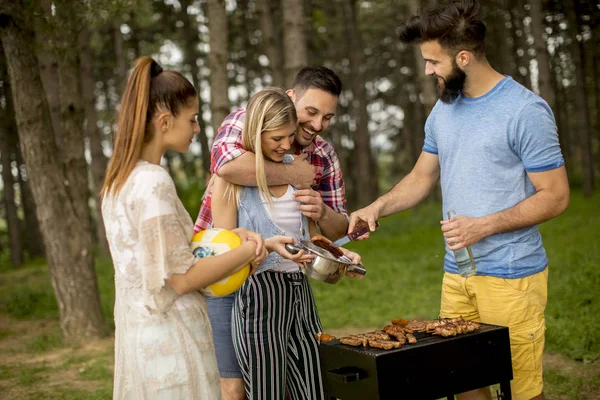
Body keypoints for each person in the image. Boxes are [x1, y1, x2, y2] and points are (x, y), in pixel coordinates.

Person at [349, 2, 569, 400]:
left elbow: (555, 196)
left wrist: (484, 225)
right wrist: (375, 208)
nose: (428, 70)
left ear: (463, 57)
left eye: (433, 61)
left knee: (520, 390)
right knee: (461, 382)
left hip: (512, 276)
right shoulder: (443, 110)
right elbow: (421, 178)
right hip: (457, 275)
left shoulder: (524, 110)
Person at [100, 56, 268, 399]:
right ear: (164, 121)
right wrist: (249, 251)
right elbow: (182, 278)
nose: (196, 128)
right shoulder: (152, 181)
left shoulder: (117, 183)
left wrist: (230, 238)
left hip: (138, 336)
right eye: (191, 119)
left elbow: (169, 252)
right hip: (172, 338)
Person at [195, 66, 349, 400]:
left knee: (311, 386)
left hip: (294, 291)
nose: (318, 125)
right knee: (240, 387)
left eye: (328, 117)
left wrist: (337, 248)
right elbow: (225, 169)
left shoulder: (321, 155)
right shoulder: (244, 123)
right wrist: (293, 173)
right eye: (311, 112)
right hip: (236, 283)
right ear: (292, 98)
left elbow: (324, 233)